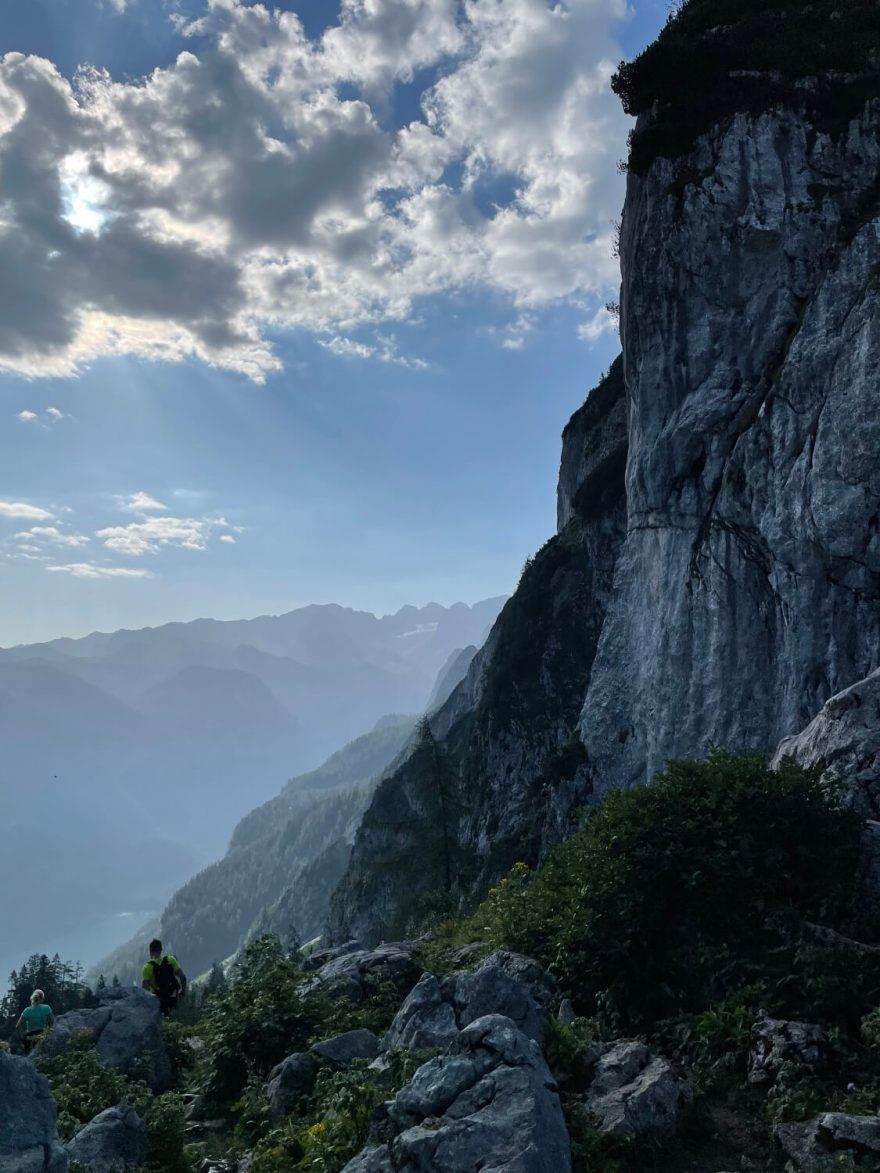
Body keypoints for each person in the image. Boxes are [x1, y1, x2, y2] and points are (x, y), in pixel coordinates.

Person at [142, 939, 187, 1016]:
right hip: (174, 997)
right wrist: (182, 992)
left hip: (159, 1001)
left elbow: (145, 991)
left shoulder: (147, 967)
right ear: (161, 949)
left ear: (150, 951)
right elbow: (183, 977)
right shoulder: (170, 959)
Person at [16, 989, 54, 1053]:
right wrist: (48, 1030)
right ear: (42, 999)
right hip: (42, 1034)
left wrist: (23, 1037)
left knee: (28, 1055)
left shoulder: (27, 1010)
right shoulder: (46, 1008)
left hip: (29, 1036)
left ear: (32, 998)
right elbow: (52, 1020)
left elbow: (17, 1026)